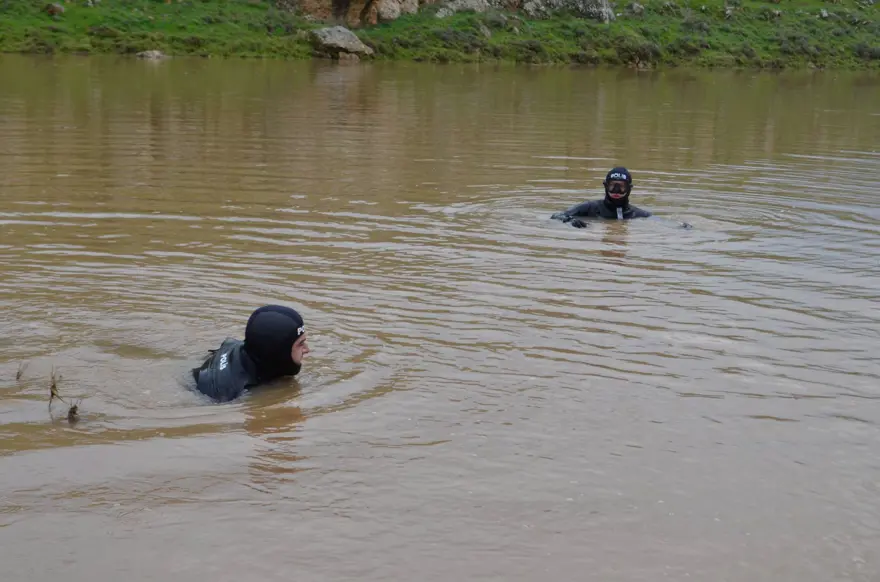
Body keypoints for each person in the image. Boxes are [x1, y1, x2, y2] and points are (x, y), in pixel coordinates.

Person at [191, 304, 310, 403]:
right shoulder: (226, 395)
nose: (307, 349)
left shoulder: (250, 350)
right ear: (279, 351)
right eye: (300, 344)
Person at [551, 166, 652, 228]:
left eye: (621, 186)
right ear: (606, 186)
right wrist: (570, 221)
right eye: (612, 186)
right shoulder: (589, 208)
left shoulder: (639, 214)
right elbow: (557, 216)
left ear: (629, 189)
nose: (616, 190)